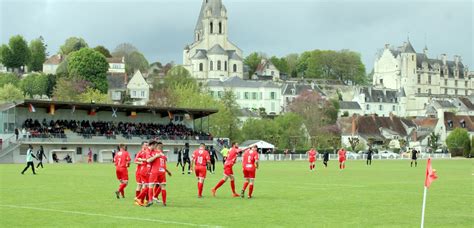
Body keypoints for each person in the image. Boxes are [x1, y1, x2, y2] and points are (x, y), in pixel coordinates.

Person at [146, 142, 171, 207]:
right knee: (163, 187)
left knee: (151, 185)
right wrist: (167, 171)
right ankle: (164, 202)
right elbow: (165, 162)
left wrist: (155, 156)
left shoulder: (153, 152)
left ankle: (150, 200)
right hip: (162, 171)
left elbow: (148, 160)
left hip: (155, 171)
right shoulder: (163, 154)